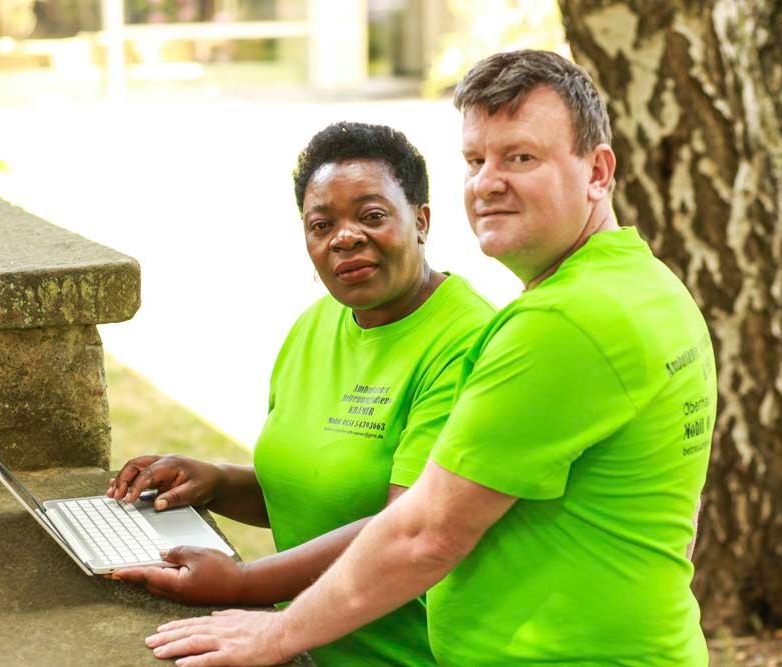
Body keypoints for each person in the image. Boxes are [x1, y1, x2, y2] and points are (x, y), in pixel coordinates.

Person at [144, 49, 717, 666]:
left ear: (598, 172)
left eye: (521, 157)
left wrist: (270, 631)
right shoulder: (647, 285)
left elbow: (425, 532)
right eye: (475, 160)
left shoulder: (564, 320)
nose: (488, 183)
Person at [108, 121, 495, 666]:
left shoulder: (469, 343)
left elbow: (409, 527)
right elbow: (317, 494)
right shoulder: (318, 324)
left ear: (422, 221)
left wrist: (243, 584)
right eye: (321, 224)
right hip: (306, 646)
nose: (345, 237)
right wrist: (216, 482)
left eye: (372, 215)